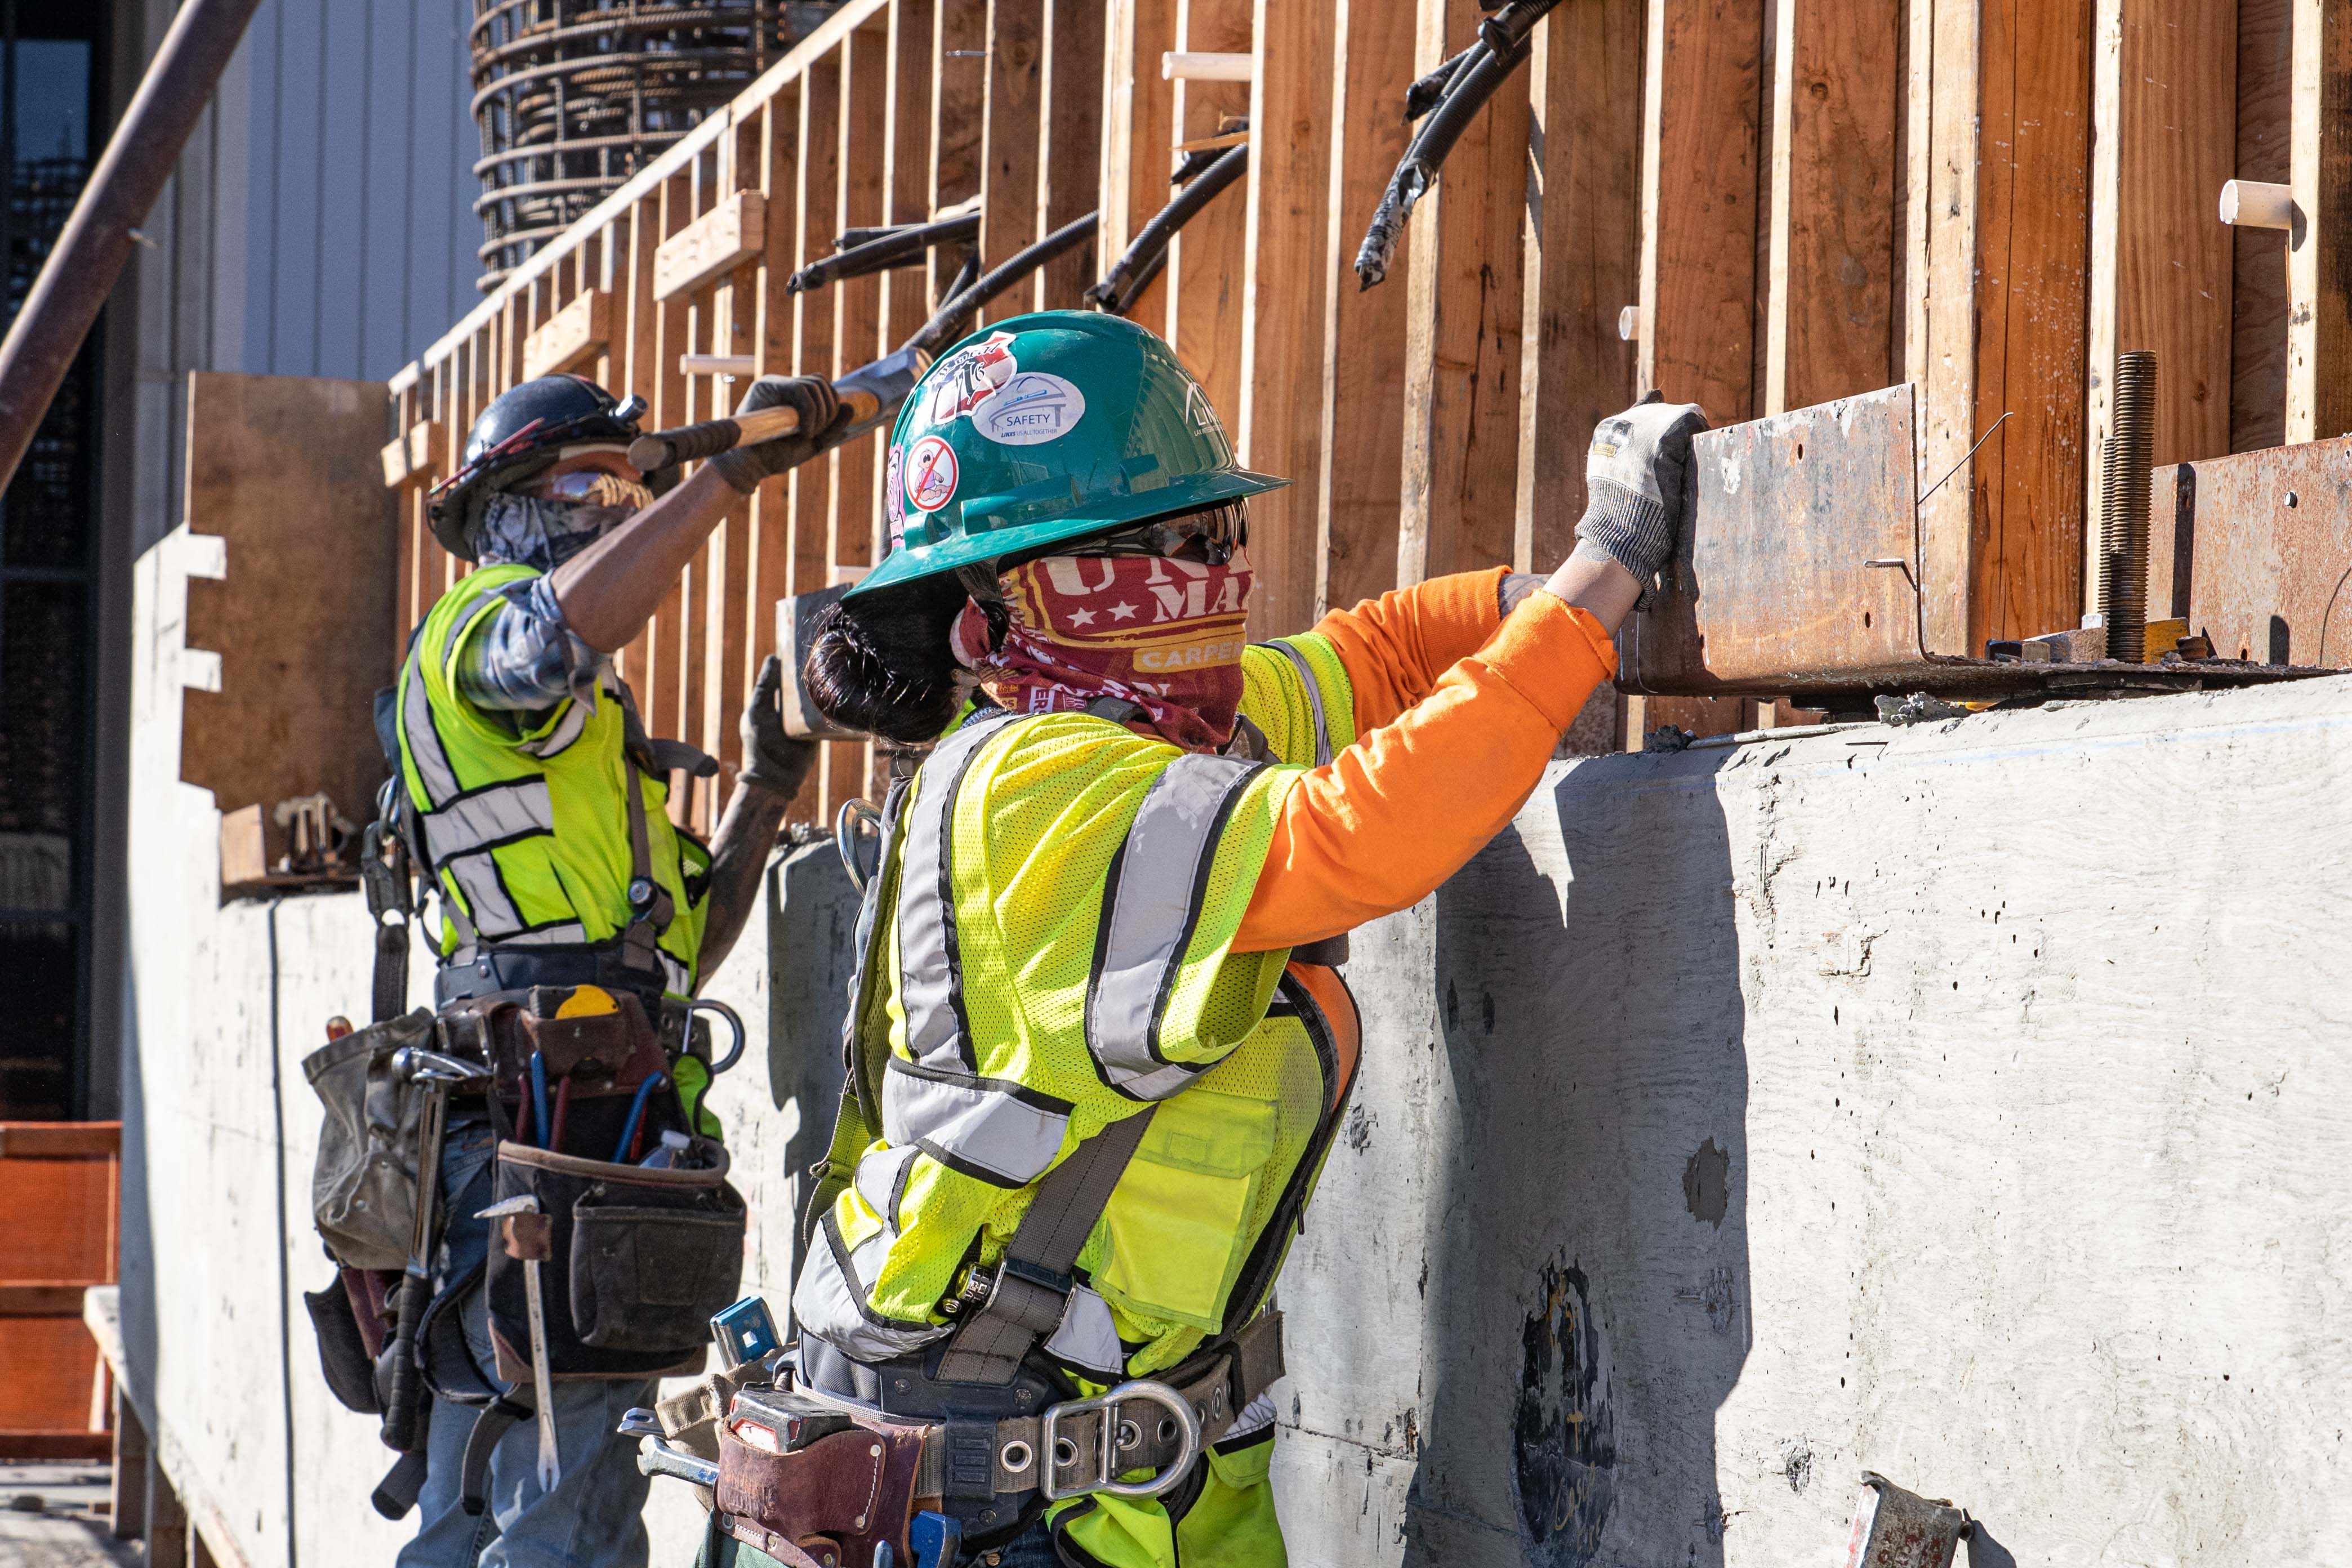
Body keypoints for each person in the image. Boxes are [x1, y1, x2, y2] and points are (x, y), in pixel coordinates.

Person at [759, 310, 1702, 1567]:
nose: (1209, 574)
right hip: (996, 1493)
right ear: (990, 616)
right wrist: (1606, 567)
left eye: (1216, 536)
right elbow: (1358, 834)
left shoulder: (1160, 718)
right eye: (1160, 548)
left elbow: (1366, 661)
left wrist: (1534, 603)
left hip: (1138, 1482)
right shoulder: (1036, 785)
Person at [391, 370, 841, 1568]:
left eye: (629, 487)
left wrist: (769, 778)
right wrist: (725, 476)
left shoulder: (583, 755)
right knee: (567, 1514)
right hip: (549, 1140)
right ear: (503, 508)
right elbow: (553, 637)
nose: (618, 505)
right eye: (590, 483)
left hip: (571, 1132)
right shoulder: (474, 631)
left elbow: (687, 949)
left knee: (494, 1498)